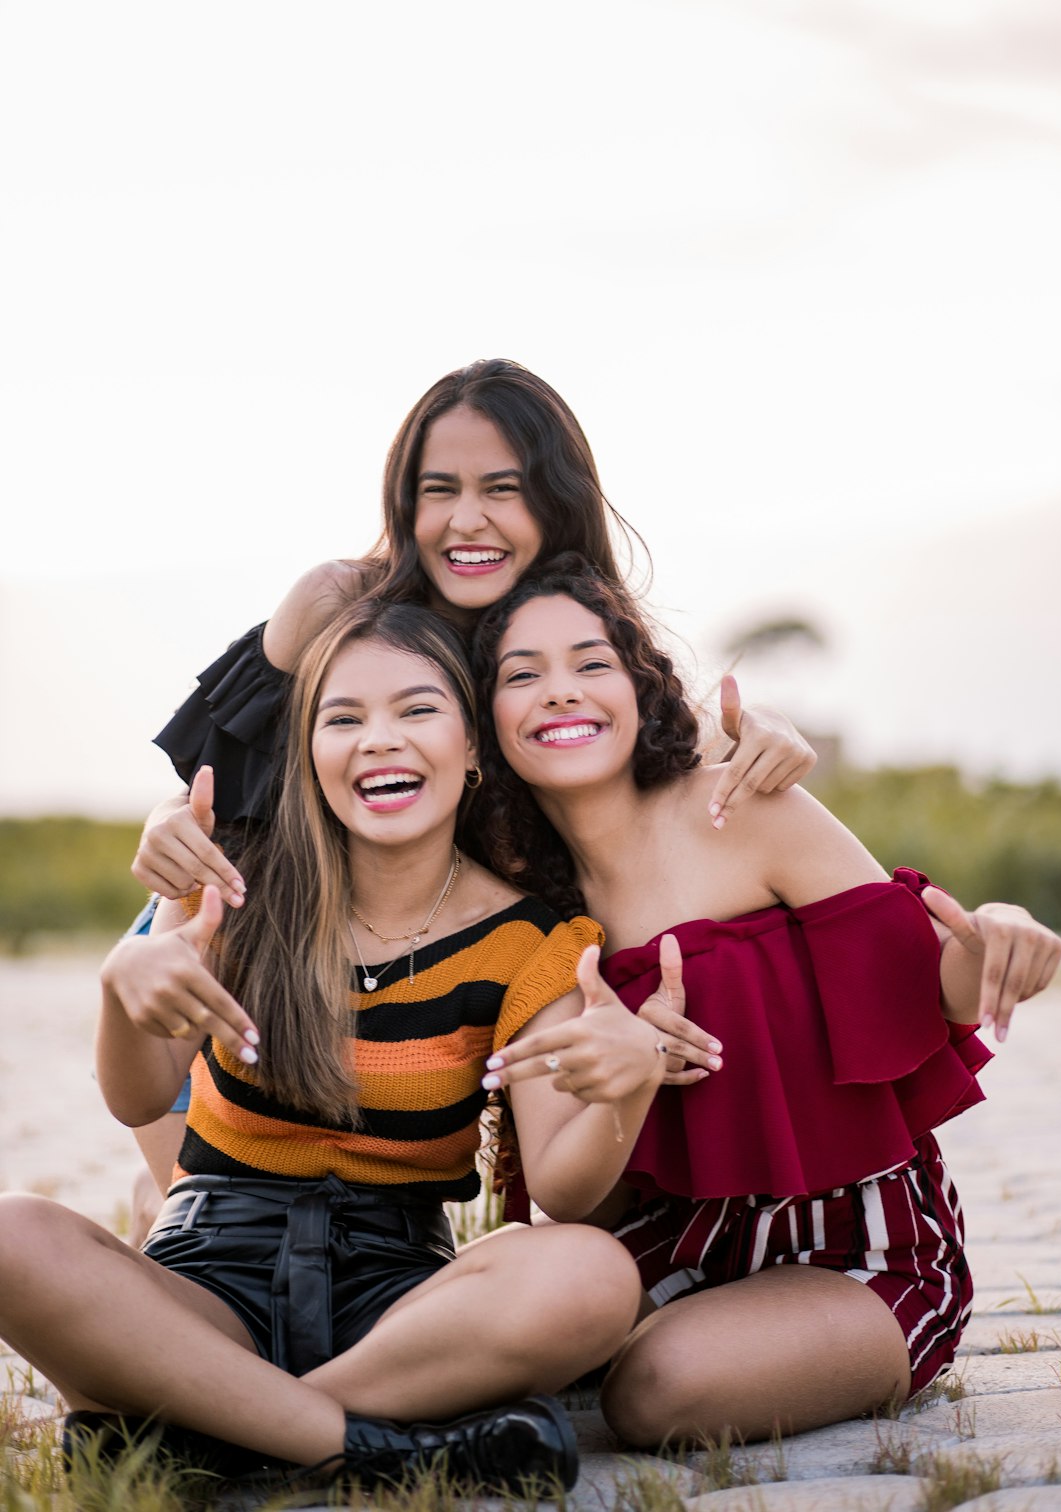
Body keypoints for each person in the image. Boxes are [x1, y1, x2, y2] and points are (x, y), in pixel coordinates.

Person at [0, 601, 675, 1495]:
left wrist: (625, 1089)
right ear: (309, 756)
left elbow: (562, 1188)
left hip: (397, 1306)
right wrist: (123, 991)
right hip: (209, 1277)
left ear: (474, 747)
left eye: (417, 710)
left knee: (590, 1275)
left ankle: (218, 1424)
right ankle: (356, 1442)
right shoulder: (233, 881)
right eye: (343, 719)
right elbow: (137, 1097)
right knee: (12, 1231)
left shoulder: (532, 943)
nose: (379, 740)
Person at [466, 555, 1061, 1448]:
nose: (561, 692)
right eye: (523, 675)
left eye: (591, 663)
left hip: (863, 1253)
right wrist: (626, 1079)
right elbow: (576, 1205)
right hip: (675, 1247)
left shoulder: (740, 807)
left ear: (639, 688)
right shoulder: (522, 912)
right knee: (476, 1303)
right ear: (486, 723)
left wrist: (1001, 938)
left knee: (657, 1391)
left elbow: (928, 979)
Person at [132, 357, 815, 909]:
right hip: (252, 939)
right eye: (438, 490)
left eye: (501, 488)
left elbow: (661, 781)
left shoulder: (579, 632)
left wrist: (763, 733)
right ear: (406, 502)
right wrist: (166, 818)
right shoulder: (336, 603)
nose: (466, 520)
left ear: (556, 500)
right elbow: (220, 787)